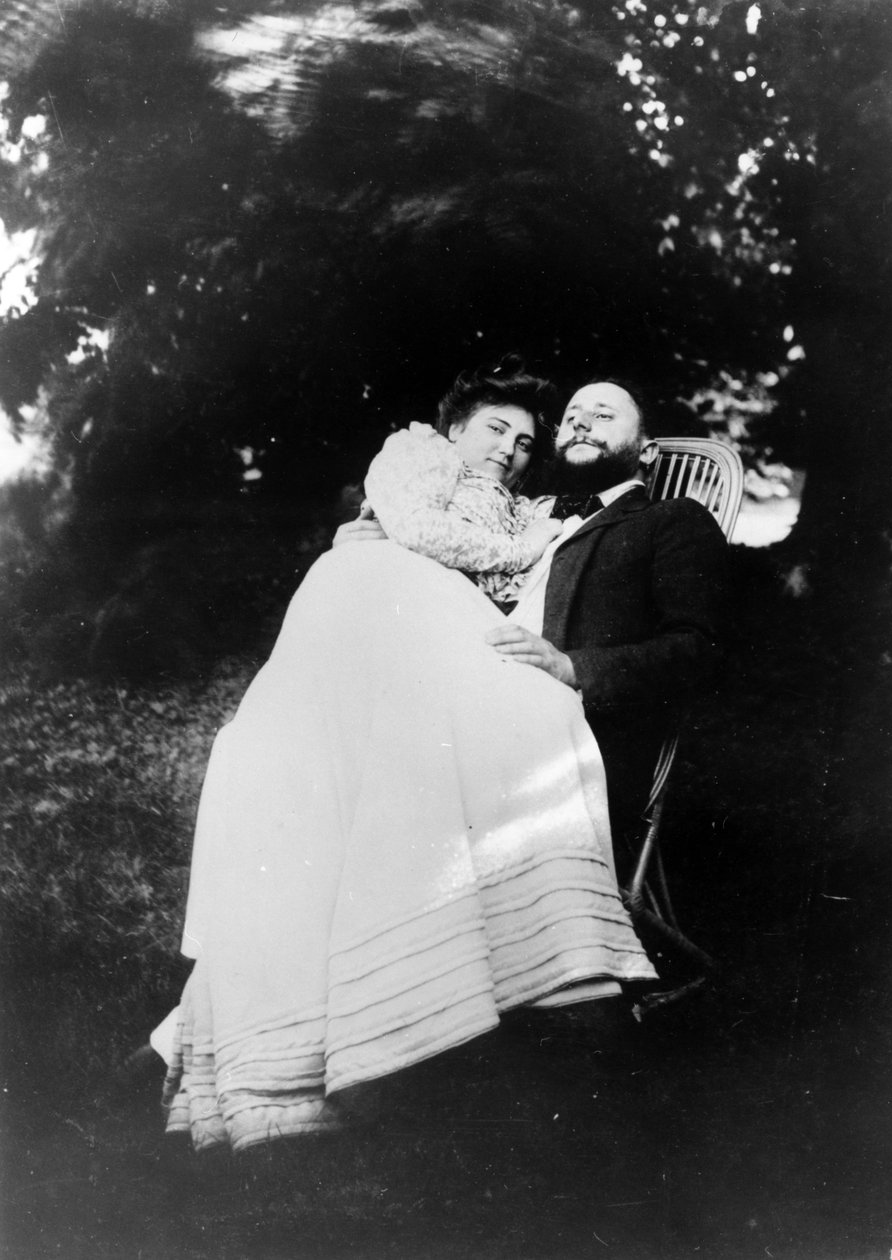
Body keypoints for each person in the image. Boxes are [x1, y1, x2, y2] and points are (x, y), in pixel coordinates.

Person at [156, 362, 656, 1152]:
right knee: (332, 750)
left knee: (431, 744)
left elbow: (511, 575)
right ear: (456, 426)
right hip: (372, 588)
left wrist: (518, 542)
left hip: (433, 607)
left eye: (527, 441)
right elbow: (425, 534)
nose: (510, 450)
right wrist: (519, 542)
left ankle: (412, 972)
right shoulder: (416, 451)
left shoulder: (527, 505)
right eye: (495, 428)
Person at [341, 379, 729, 849]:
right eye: (572, 416)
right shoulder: (522, 513)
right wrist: (379, 540)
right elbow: (440, 535)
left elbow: (699, 650)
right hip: (455, 683)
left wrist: (570, 666)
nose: (581, 422)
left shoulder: (671, 520)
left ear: (647, 453)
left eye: (603, 415)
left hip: (558, 735)